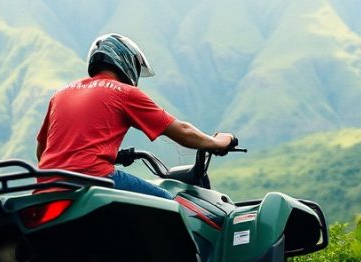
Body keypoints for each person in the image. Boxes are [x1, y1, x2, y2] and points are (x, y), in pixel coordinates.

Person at [36, 33, 234, 199]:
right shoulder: (124, 92)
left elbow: (42, 151)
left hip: (46, 186)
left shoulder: (61, 93)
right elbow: (183, 132)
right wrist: (219, 142)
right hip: (95, 178)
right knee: (169, 203)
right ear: (125, 60)